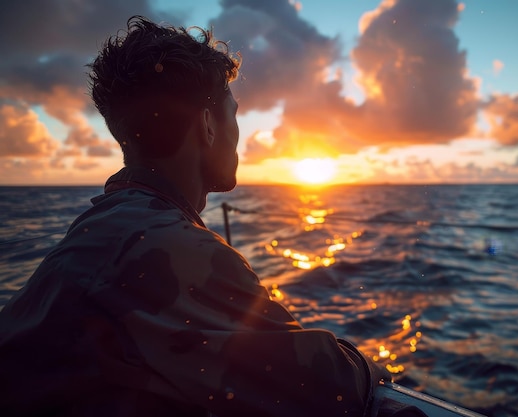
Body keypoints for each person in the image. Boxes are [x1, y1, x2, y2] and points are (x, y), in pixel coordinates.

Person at [0, 16, 392, 417]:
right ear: (207, 124)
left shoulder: (103, 228)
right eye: (234, 113)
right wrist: (371, 370)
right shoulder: (163, 245)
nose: (239, 134)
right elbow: (325, 388)